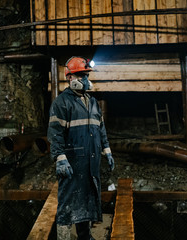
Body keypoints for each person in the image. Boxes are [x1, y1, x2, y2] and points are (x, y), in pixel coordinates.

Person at [47, 56, 115, 240]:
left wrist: (106, 150)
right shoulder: (62, 102)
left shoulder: (92, 102)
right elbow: (55, 133)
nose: (85, 79)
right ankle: (63, 238)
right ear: (70, 78)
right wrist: (60, 158)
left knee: (86, 198)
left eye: (86, 75)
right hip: (72, 163)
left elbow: (101, 128)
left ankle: (85, 235)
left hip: (90, 160)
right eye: (80, 75)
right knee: (68, 202)